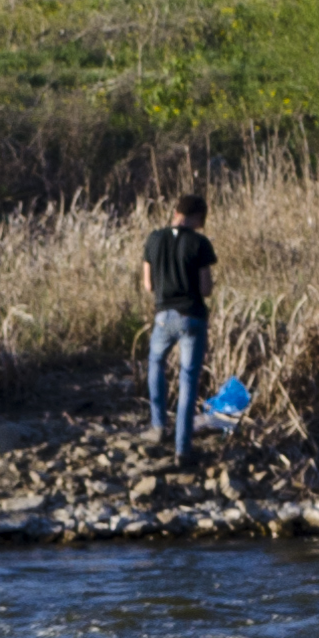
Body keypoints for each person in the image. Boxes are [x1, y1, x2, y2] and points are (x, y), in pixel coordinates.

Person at [140, 190, 216, 462]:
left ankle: (158, 425)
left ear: (175, 213)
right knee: (187, 379)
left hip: (163, 315)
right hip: (192, 316)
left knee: (155, 364)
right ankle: (183, 447)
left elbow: (148, 285)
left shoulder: (154, 239)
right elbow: (205, 288)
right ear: (196, 217)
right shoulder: (200, 243)